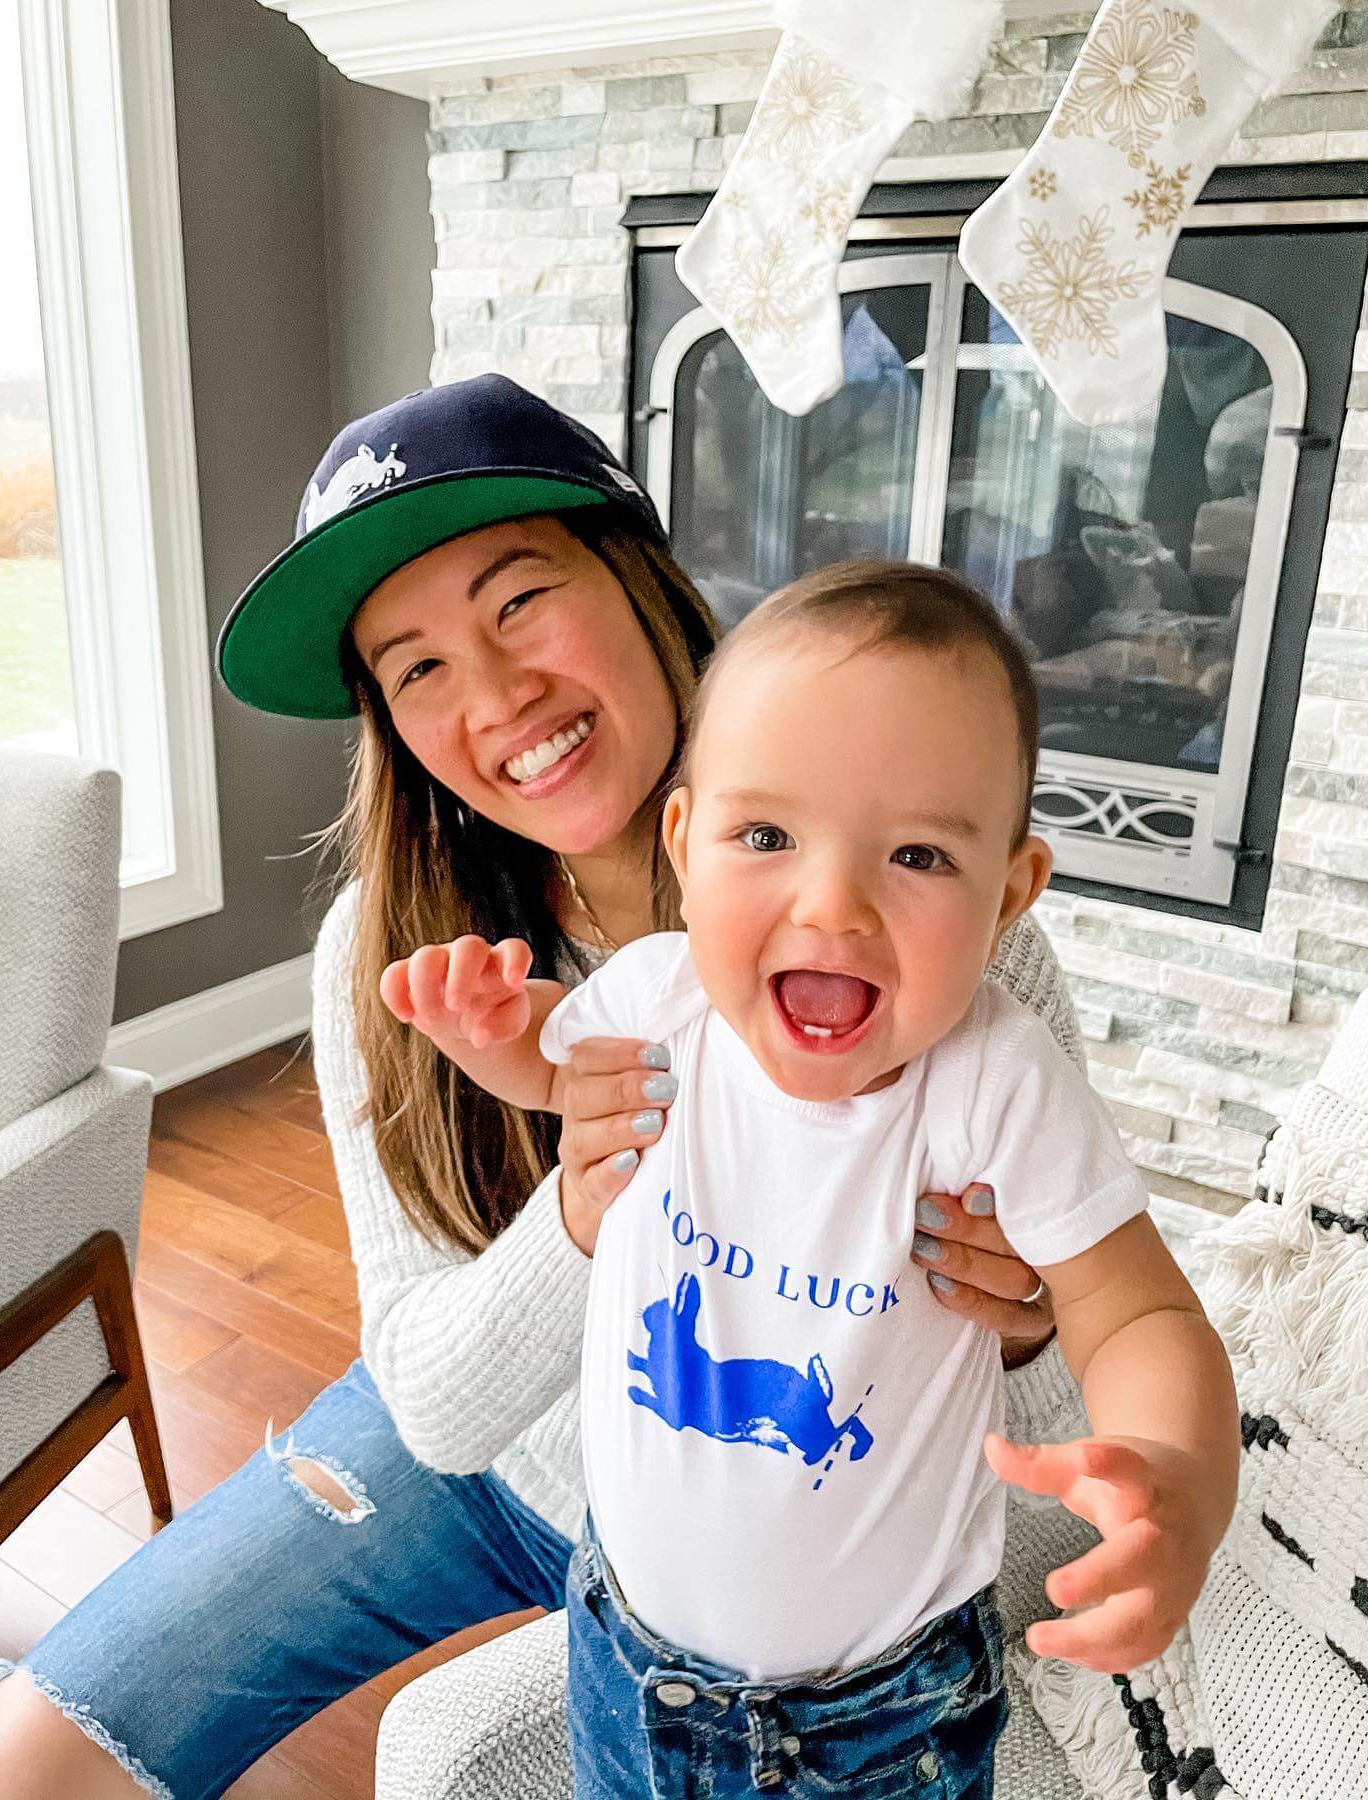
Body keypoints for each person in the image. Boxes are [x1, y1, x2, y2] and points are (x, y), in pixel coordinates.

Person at [0, 379, 1089, 1800]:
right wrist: (585, 1200)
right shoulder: (384, 958)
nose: (496, 700)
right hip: (498, 1462)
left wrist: (1036, 1324)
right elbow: (429, 1402)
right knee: (17, 1767)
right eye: (416, 667)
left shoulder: (912, 918)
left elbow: (1059, 1414)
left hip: (789, 1515)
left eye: (519, 603)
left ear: (644, 584)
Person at [385, 560, 1239, 1798]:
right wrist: (493, 1036)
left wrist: (1182, 1480)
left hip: (880, 1717)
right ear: (686, 844)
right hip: (621, 1650)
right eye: (767, 836)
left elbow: (1139, 1309)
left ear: (1011, 895)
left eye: (919, 858)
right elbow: (559, 1071)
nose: (831, 904)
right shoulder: (656, 999)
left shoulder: (993, 1080)